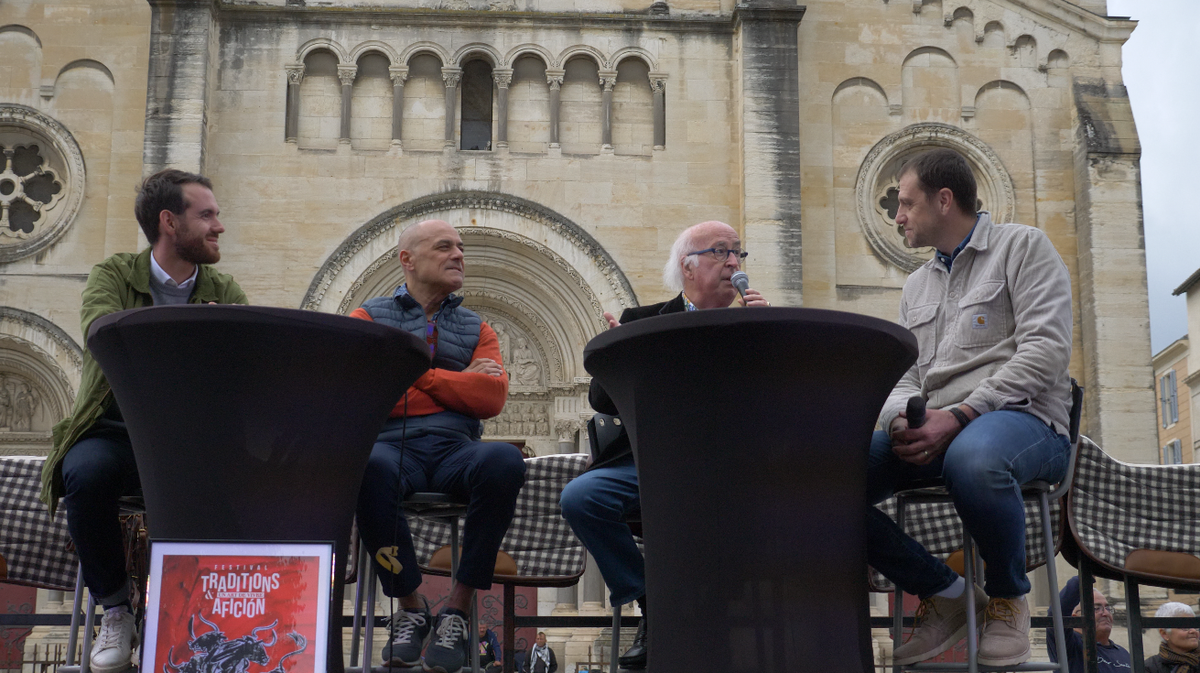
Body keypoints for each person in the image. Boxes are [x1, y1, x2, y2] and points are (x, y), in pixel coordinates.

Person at [867, 148, 1074, 667]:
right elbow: (905, 375)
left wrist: (960, 415)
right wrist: (898, 418)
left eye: (906, 203)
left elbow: (1046, 352)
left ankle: (1009, 597)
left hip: (1027, 422)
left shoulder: (1023, 247)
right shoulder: (916, 285)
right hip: (938, 425)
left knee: (973, 459)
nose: (897, 216)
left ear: (944, 200)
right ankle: (949, 593)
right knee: (821, 481)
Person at [38, 169, 247, 673]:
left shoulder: (225, 287)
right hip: (114, 432)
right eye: (208, 215)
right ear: (169, 222)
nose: (220, 226)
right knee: (84, 474)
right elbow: (105, 336)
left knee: (241, 484)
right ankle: (116, 610)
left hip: (189, 441)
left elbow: (240, 365)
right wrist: (195, 337)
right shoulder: (112, 273)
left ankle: (196, 618)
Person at [559, 220, 769, 669]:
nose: (734, 261)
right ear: (687, 267)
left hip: (727, 469)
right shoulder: (643, 322)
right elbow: (599, 399)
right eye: (720, 251)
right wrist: (616, 356)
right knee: (581, 497)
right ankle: (651, 604)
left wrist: (769, 336)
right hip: (648, 464)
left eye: (738, 253)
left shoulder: (758, 324)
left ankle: (714, 624)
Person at [350, 219, 526, 673]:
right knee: (365, 466)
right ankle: (411, 607)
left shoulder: (478, 327)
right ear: (407, 259)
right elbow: (358, 391)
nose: (459, 255)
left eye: (461, 248)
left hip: (456, 449)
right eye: (444, 246)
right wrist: (460, 381)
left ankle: (456, 611)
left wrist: (414, 372)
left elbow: (492, 399)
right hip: (390, 447)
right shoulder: (368, 318)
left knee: (504, 459)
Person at [1046, 576, 1131, 673]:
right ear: (1075, 618)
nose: (1105, 613)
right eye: (1096, 608)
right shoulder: (1071, 646)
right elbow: (1057, 614)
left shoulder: (1123, 653)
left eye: (1108, 608)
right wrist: (1086, 575)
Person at [1145, 602, 1200, 673]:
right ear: (1164, 633)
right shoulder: (1149, 668)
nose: (1193, 631)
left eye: (1195, 626)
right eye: (1185, 627)